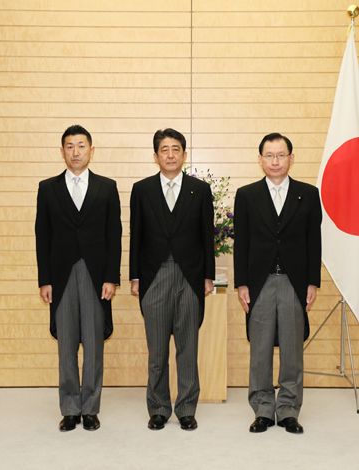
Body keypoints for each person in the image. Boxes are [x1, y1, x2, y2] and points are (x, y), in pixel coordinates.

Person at [35, 124, 122, 432]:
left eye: (81, 145)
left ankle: (90, 408)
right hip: (61, 277)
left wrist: (112, 277)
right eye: (69, 146)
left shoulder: (107, 187)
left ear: (91, 150)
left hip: (97, 276)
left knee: (95, 345)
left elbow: (115, 235)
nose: (75, 151)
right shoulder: (47, 188)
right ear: (62, 151)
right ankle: (70, 407)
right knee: (67, 343)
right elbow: (41, 236)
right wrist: (44, 279)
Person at [234, 132, 322, 434]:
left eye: (281, 155)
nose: (275, 161)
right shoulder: (246, 195)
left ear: (291, 158)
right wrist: (241, 283)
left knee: (292, 349)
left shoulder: (308, 194)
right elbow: (241, 242)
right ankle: (262, 408)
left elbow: (314, 241)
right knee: (259, 348)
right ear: (260, 159)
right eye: (269, 155)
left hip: (294, 282)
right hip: (259, 283)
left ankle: (288, 409)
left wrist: (312, 281)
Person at [130, 128, 215, 431]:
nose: (170, 154)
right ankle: (158, 407)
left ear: (184, 154)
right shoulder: (141, 190)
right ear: (156, 156)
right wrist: (135, 275)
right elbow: (136, 235)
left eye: (175, 149)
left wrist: (208, 276)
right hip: (153, 276)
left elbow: (208, 236)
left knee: (187, 347)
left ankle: (187, 408)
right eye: (164, 149)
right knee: (157, 350)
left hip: (190, 277)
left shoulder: (200, 190)